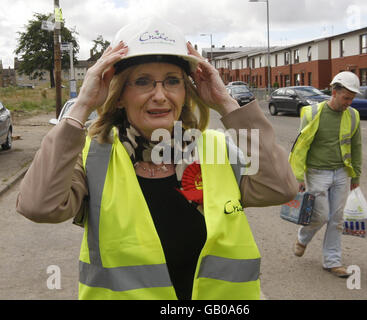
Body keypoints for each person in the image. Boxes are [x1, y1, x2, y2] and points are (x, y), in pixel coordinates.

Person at [16, 17, 298, 300]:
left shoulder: (214, 149)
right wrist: (82, 106)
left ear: (185, 93)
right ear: (119, 97)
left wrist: (226, 102)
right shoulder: (94, 157)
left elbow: (280, 187)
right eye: (143, 82)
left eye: (172, 82)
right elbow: (38, 206)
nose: (160, 95)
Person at [289, 71, 362, 278]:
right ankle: (303, 238)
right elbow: (300, 147)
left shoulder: (354, 116)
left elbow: (356, 147)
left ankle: (332, 261)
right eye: (345, 97)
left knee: (336, 218)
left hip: (340, 173)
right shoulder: (312, 114)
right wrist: (298, 177)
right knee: (320, 216)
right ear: (334, 92)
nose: (349, 102)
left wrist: (355, 177)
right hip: (316, 172)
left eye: (352, 98)